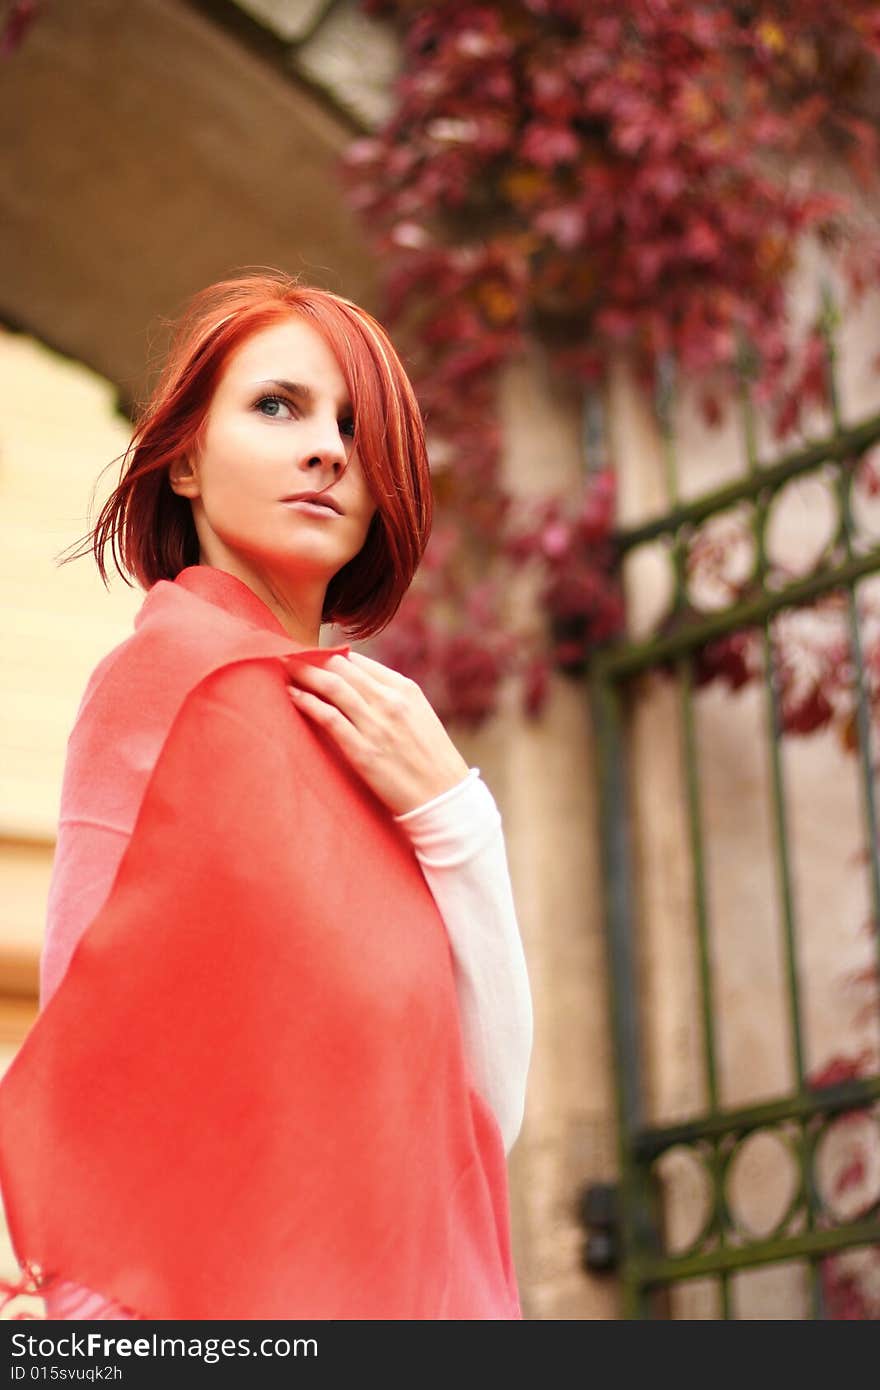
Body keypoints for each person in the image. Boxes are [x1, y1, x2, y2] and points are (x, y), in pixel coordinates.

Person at [0, 270, 533, 1321]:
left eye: (355, 426)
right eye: (277, 405)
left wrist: (456, 820)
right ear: (187, 458)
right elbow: (95, 1047)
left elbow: (475, 1116)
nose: (330, 447)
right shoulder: (170, 683)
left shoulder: (380, 733)